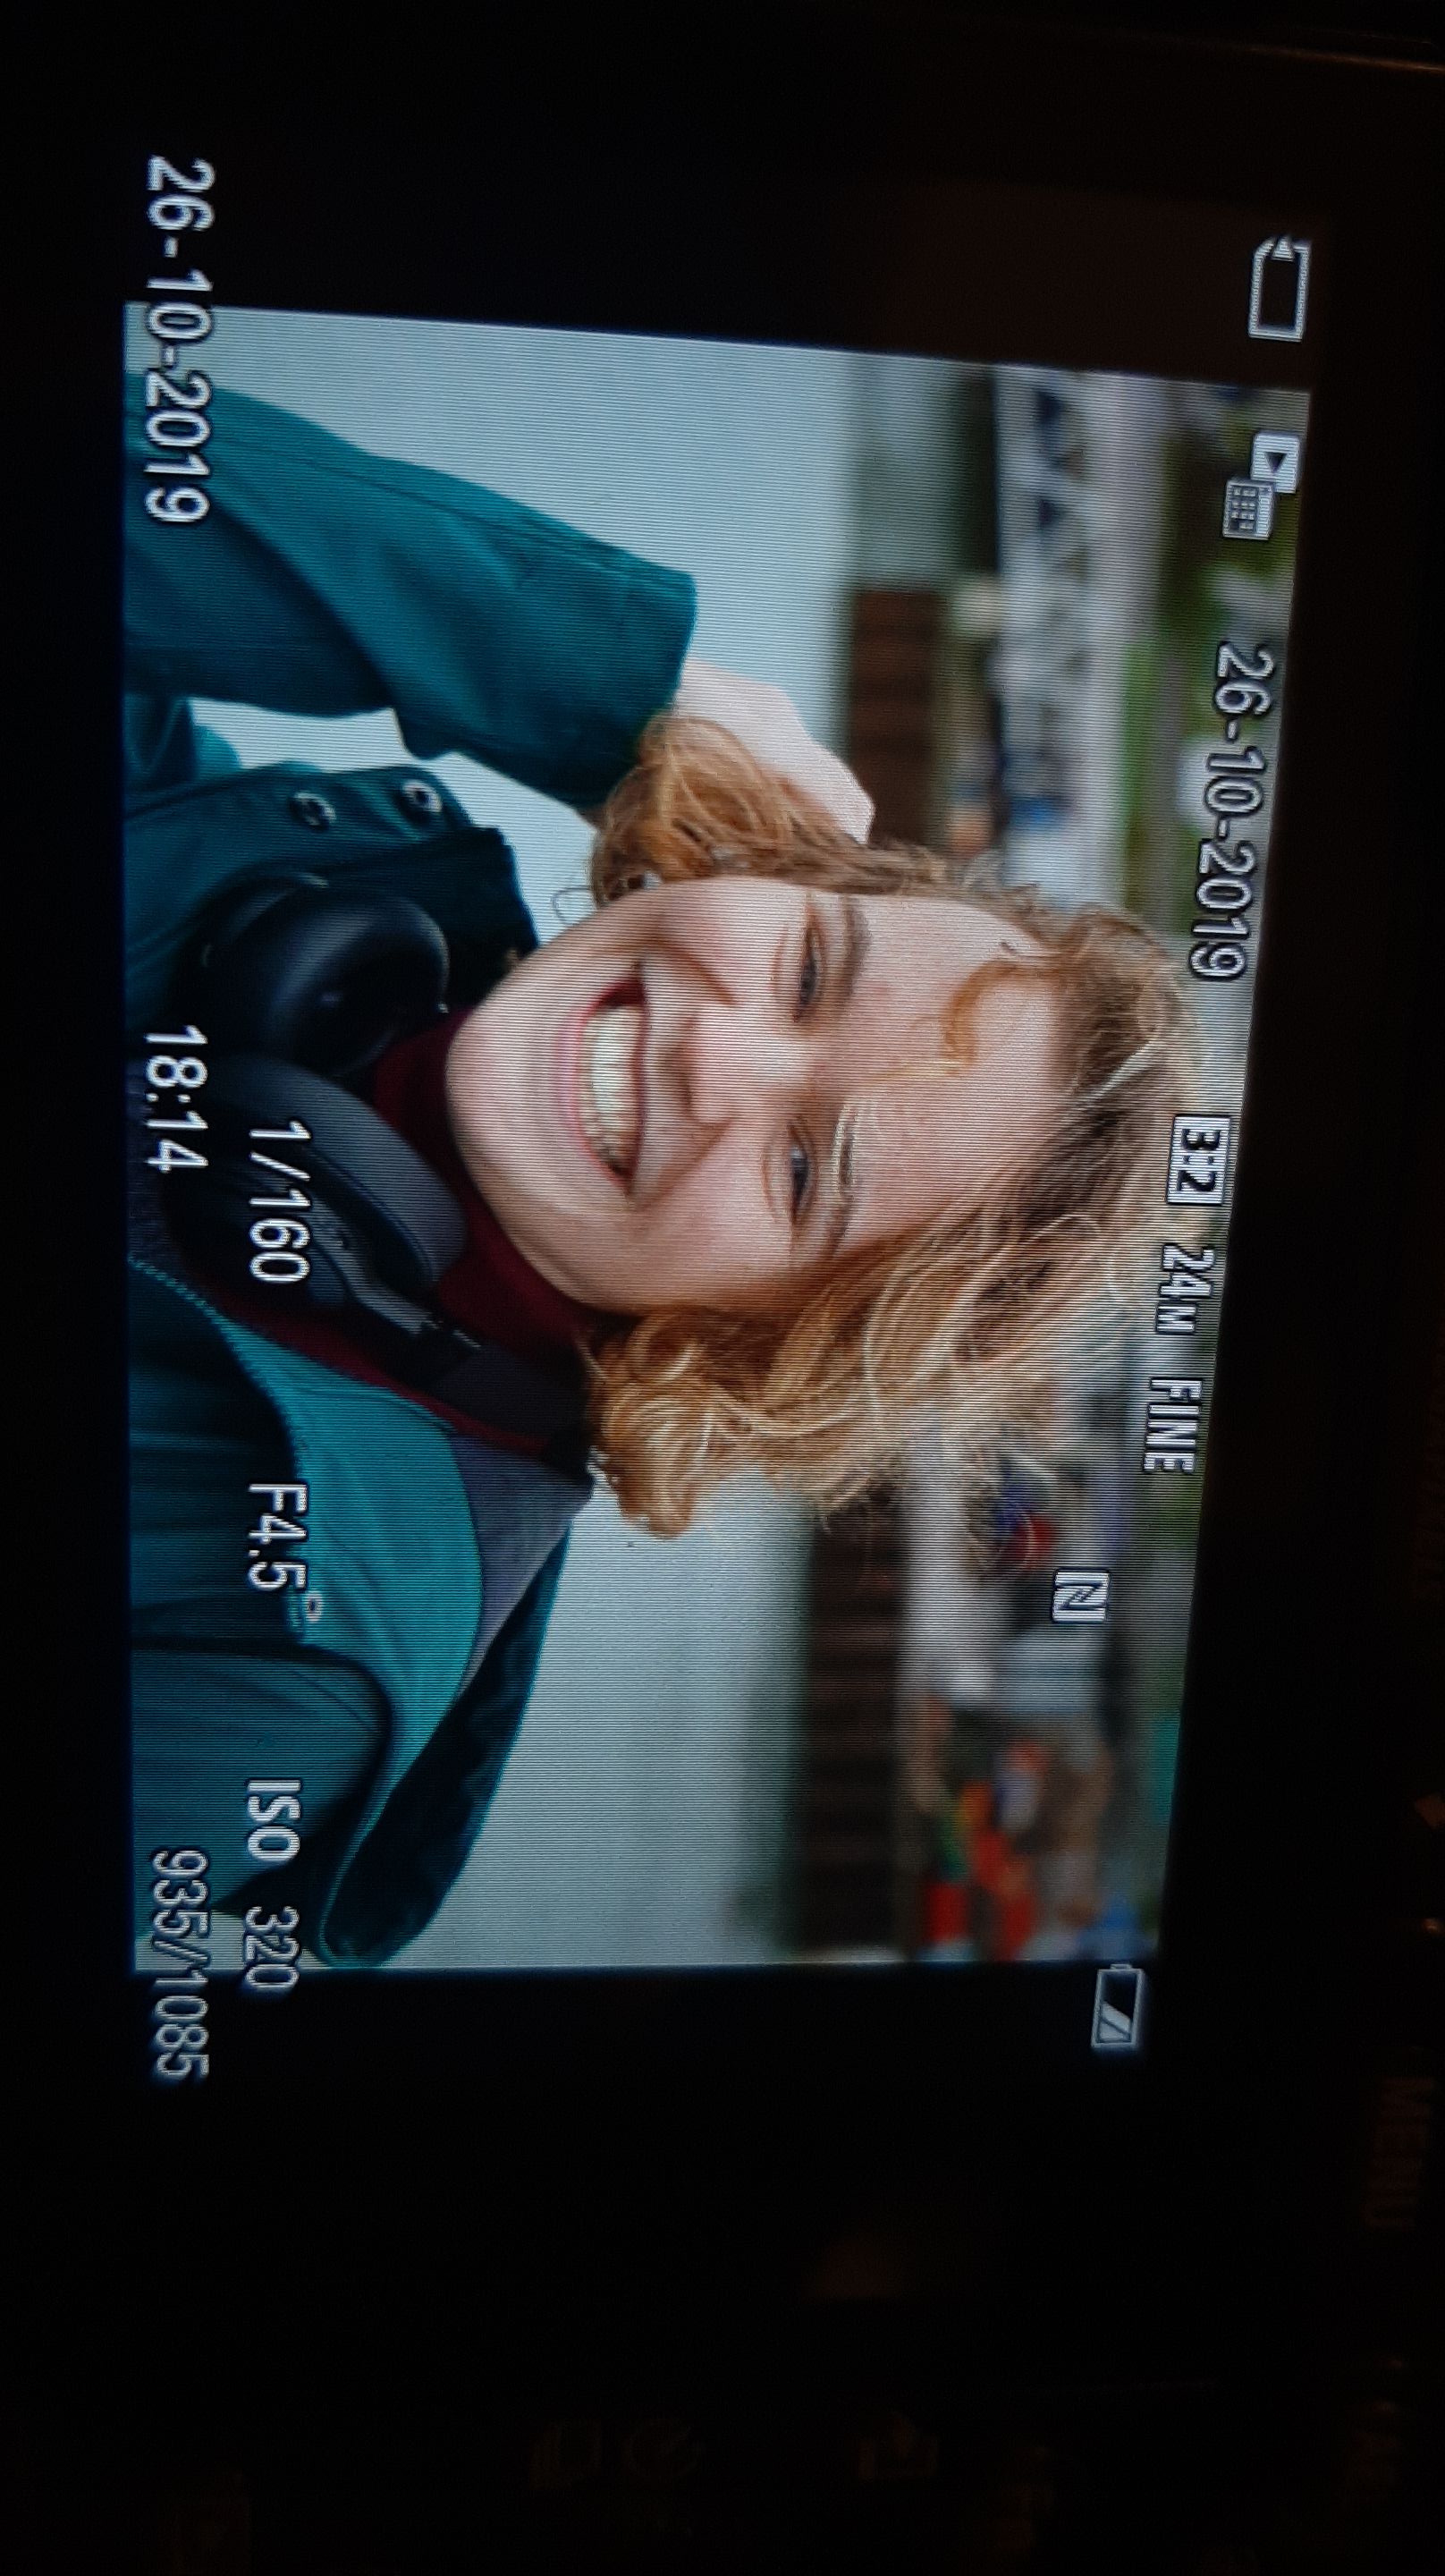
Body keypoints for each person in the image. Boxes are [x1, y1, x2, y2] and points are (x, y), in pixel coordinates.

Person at [126, 379, 1192, 1967]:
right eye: (813, 966)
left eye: (806, 1168)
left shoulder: (293, 1674)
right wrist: (613, 673)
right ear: (777, 870)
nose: (716, 1053)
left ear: (767, 1343)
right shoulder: (263, 888)